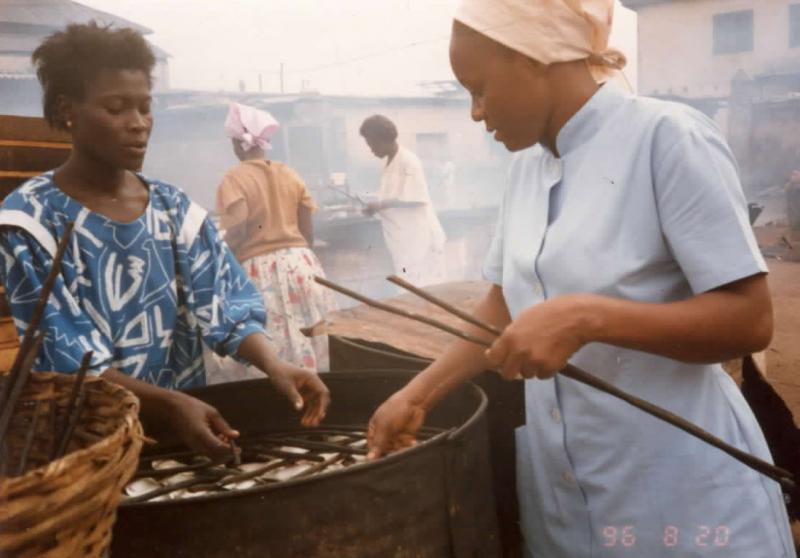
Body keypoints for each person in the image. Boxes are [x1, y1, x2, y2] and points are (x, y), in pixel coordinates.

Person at [366, 2, 796, 557]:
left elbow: (749, 319)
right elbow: (504, 302)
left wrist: (585, 317)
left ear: (533, 59)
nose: (475, 112)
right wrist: (417, 394)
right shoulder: (525, 169)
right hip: (565, 497)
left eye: (480, 89)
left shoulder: (666, 138)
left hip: (678, 491)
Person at [0, 22, 329, 461]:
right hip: (92, 444)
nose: (138, 124)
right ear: (67, 109)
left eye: (144, 107)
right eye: (117, 108)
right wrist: (171, 405)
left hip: (185, 432)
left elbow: (226, 304)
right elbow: (72, 361)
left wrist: (274, 362)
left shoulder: (174, 210)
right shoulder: (30, 222)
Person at [213, 102, 337, 375]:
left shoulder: (234, 178)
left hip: (261, 271)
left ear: (238, 144)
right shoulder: (289, 173)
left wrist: (221, 262)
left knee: (273, 347)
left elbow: (238, 229)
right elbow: (307, 228)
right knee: (312, 337)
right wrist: (296, 253)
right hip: (302, 264)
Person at [359, 115, 447, 286]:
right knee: (409, 285)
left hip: (419, 238)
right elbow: (394, 195)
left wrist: (379, 205)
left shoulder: (409, 161)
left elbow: (415, 198)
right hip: (403, 239)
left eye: (372, 144)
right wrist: (374, 204)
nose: (371, 150)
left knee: (423, 288)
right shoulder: (388, 163)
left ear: (383, 140)